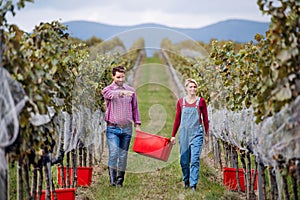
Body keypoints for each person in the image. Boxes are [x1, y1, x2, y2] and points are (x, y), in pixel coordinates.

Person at [102, 65, 141, 187]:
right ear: (113, 76)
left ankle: (119, 181)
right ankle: (112, 181)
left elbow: (135, 109)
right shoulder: (108, 90)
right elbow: (108, 94)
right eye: (118, 77)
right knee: (114, 153)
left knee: (123, 155)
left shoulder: (131, 91)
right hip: (112, 128)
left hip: (127, 128)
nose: (121, 79)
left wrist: (137, 124)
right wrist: (122, 92)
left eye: (123, 77)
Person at [170, 78, 209, 191]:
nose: (193, 89)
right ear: (186, 88)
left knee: (195, 159)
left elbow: (205, 119)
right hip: (184, 134)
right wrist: (173, 135)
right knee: (184, 160)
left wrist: (207, 134)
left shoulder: (201, 101)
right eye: (190, 87)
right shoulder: (181, 102)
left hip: (197, 132)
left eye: (195, 87)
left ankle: (193, 184)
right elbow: (177, 119)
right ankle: (186, 180)